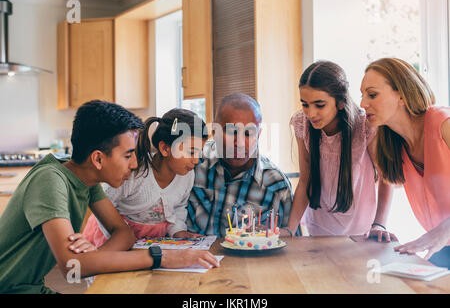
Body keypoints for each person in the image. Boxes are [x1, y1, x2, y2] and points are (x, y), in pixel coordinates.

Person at [0, 100, 219, 294]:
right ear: (98, 159)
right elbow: (72, 266)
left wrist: (93, 257)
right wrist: (163, 257)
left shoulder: (86, 180)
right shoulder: (50, 179)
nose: (134, 165)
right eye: (127, 155)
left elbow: (123, 233)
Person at [285, 61, 395, 239]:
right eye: (305, 104)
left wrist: (379, 223)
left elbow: (386, 177)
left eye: (319, 105)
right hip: (319, 227)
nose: (311, 113)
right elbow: (306, 180)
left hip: (361, 229)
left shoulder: (364, 126)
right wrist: (289, 229)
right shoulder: (302, 124)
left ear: (340, 102)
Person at [360, 57, 450, 268]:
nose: (363, 104)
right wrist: (378, 225)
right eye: (362, 95)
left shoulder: (443, 124)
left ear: (401, 95)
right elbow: (387, 183)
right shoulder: (393, 145)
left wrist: (442, 230)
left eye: (372, 94)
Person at [83, 108, 207, 247]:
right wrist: (117, 238)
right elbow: (104, 202)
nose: (196, 160)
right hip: (112, 238)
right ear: (165, 149)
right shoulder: (134, 172)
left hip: (151, 242)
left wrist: (178, 231)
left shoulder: (187, 175)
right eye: (191, 152)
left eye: (198, 152)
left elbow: (178, 207)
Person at [186, 93, 299, 237]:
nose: (239, 143)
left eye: (248, 134)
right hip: (192, 257)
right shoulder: (193, 162)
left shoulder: (276, 185)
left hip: (249, 260)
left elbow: (291, 243)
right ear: (214, 131)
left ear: (258, 135)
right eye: (231, 132)